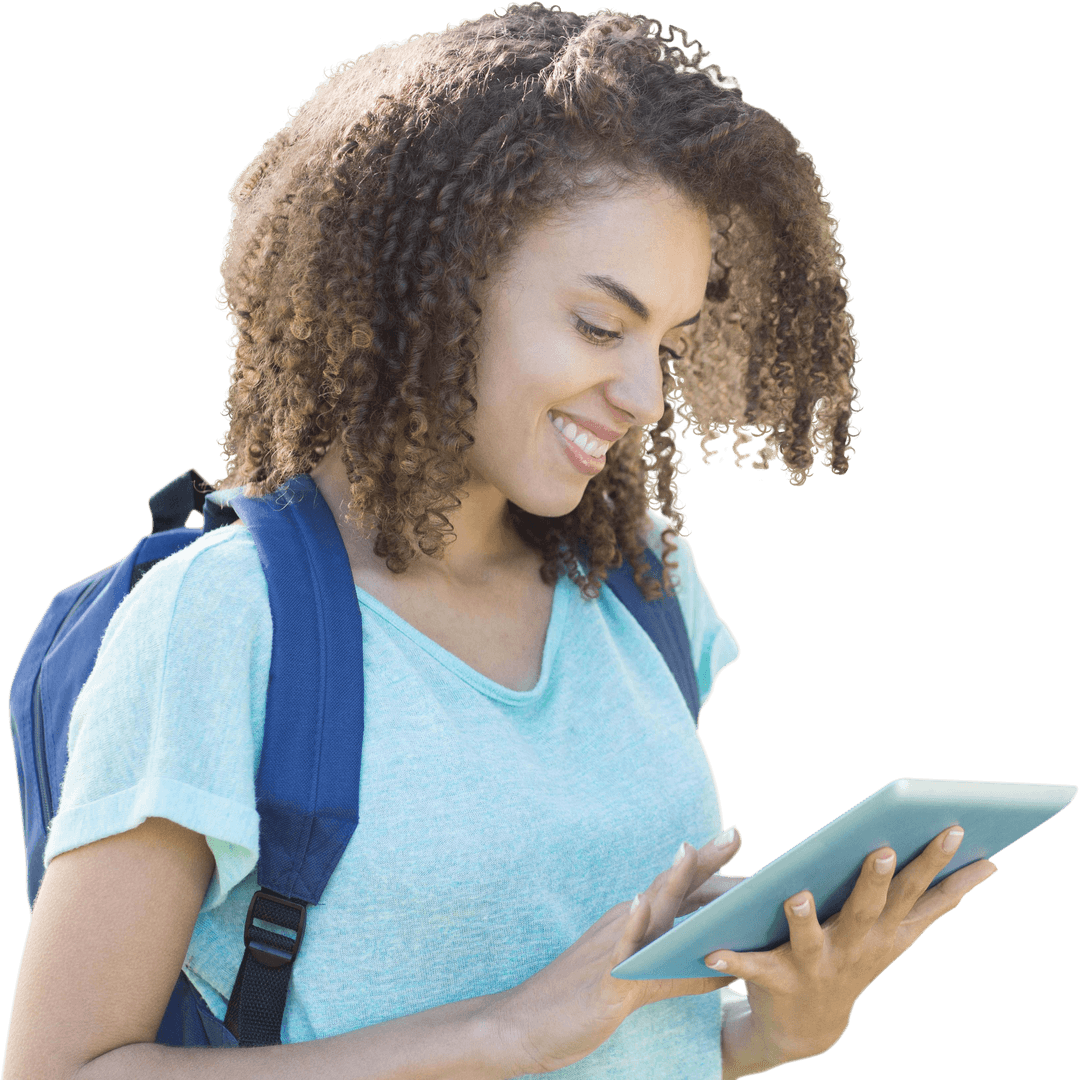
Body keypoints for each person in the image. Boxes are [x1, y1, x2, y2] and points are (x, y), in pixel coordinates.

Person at [3, 5, 998, 1079]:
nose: (646, 395)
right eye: (600, 327)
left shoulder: (642, 584)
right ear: (422, 283)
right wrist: (499, 1033)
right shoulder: (224, 619)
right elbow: (65, 1070)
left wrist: (793, 1019)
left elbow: (638, 1037)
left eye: (667, 340)